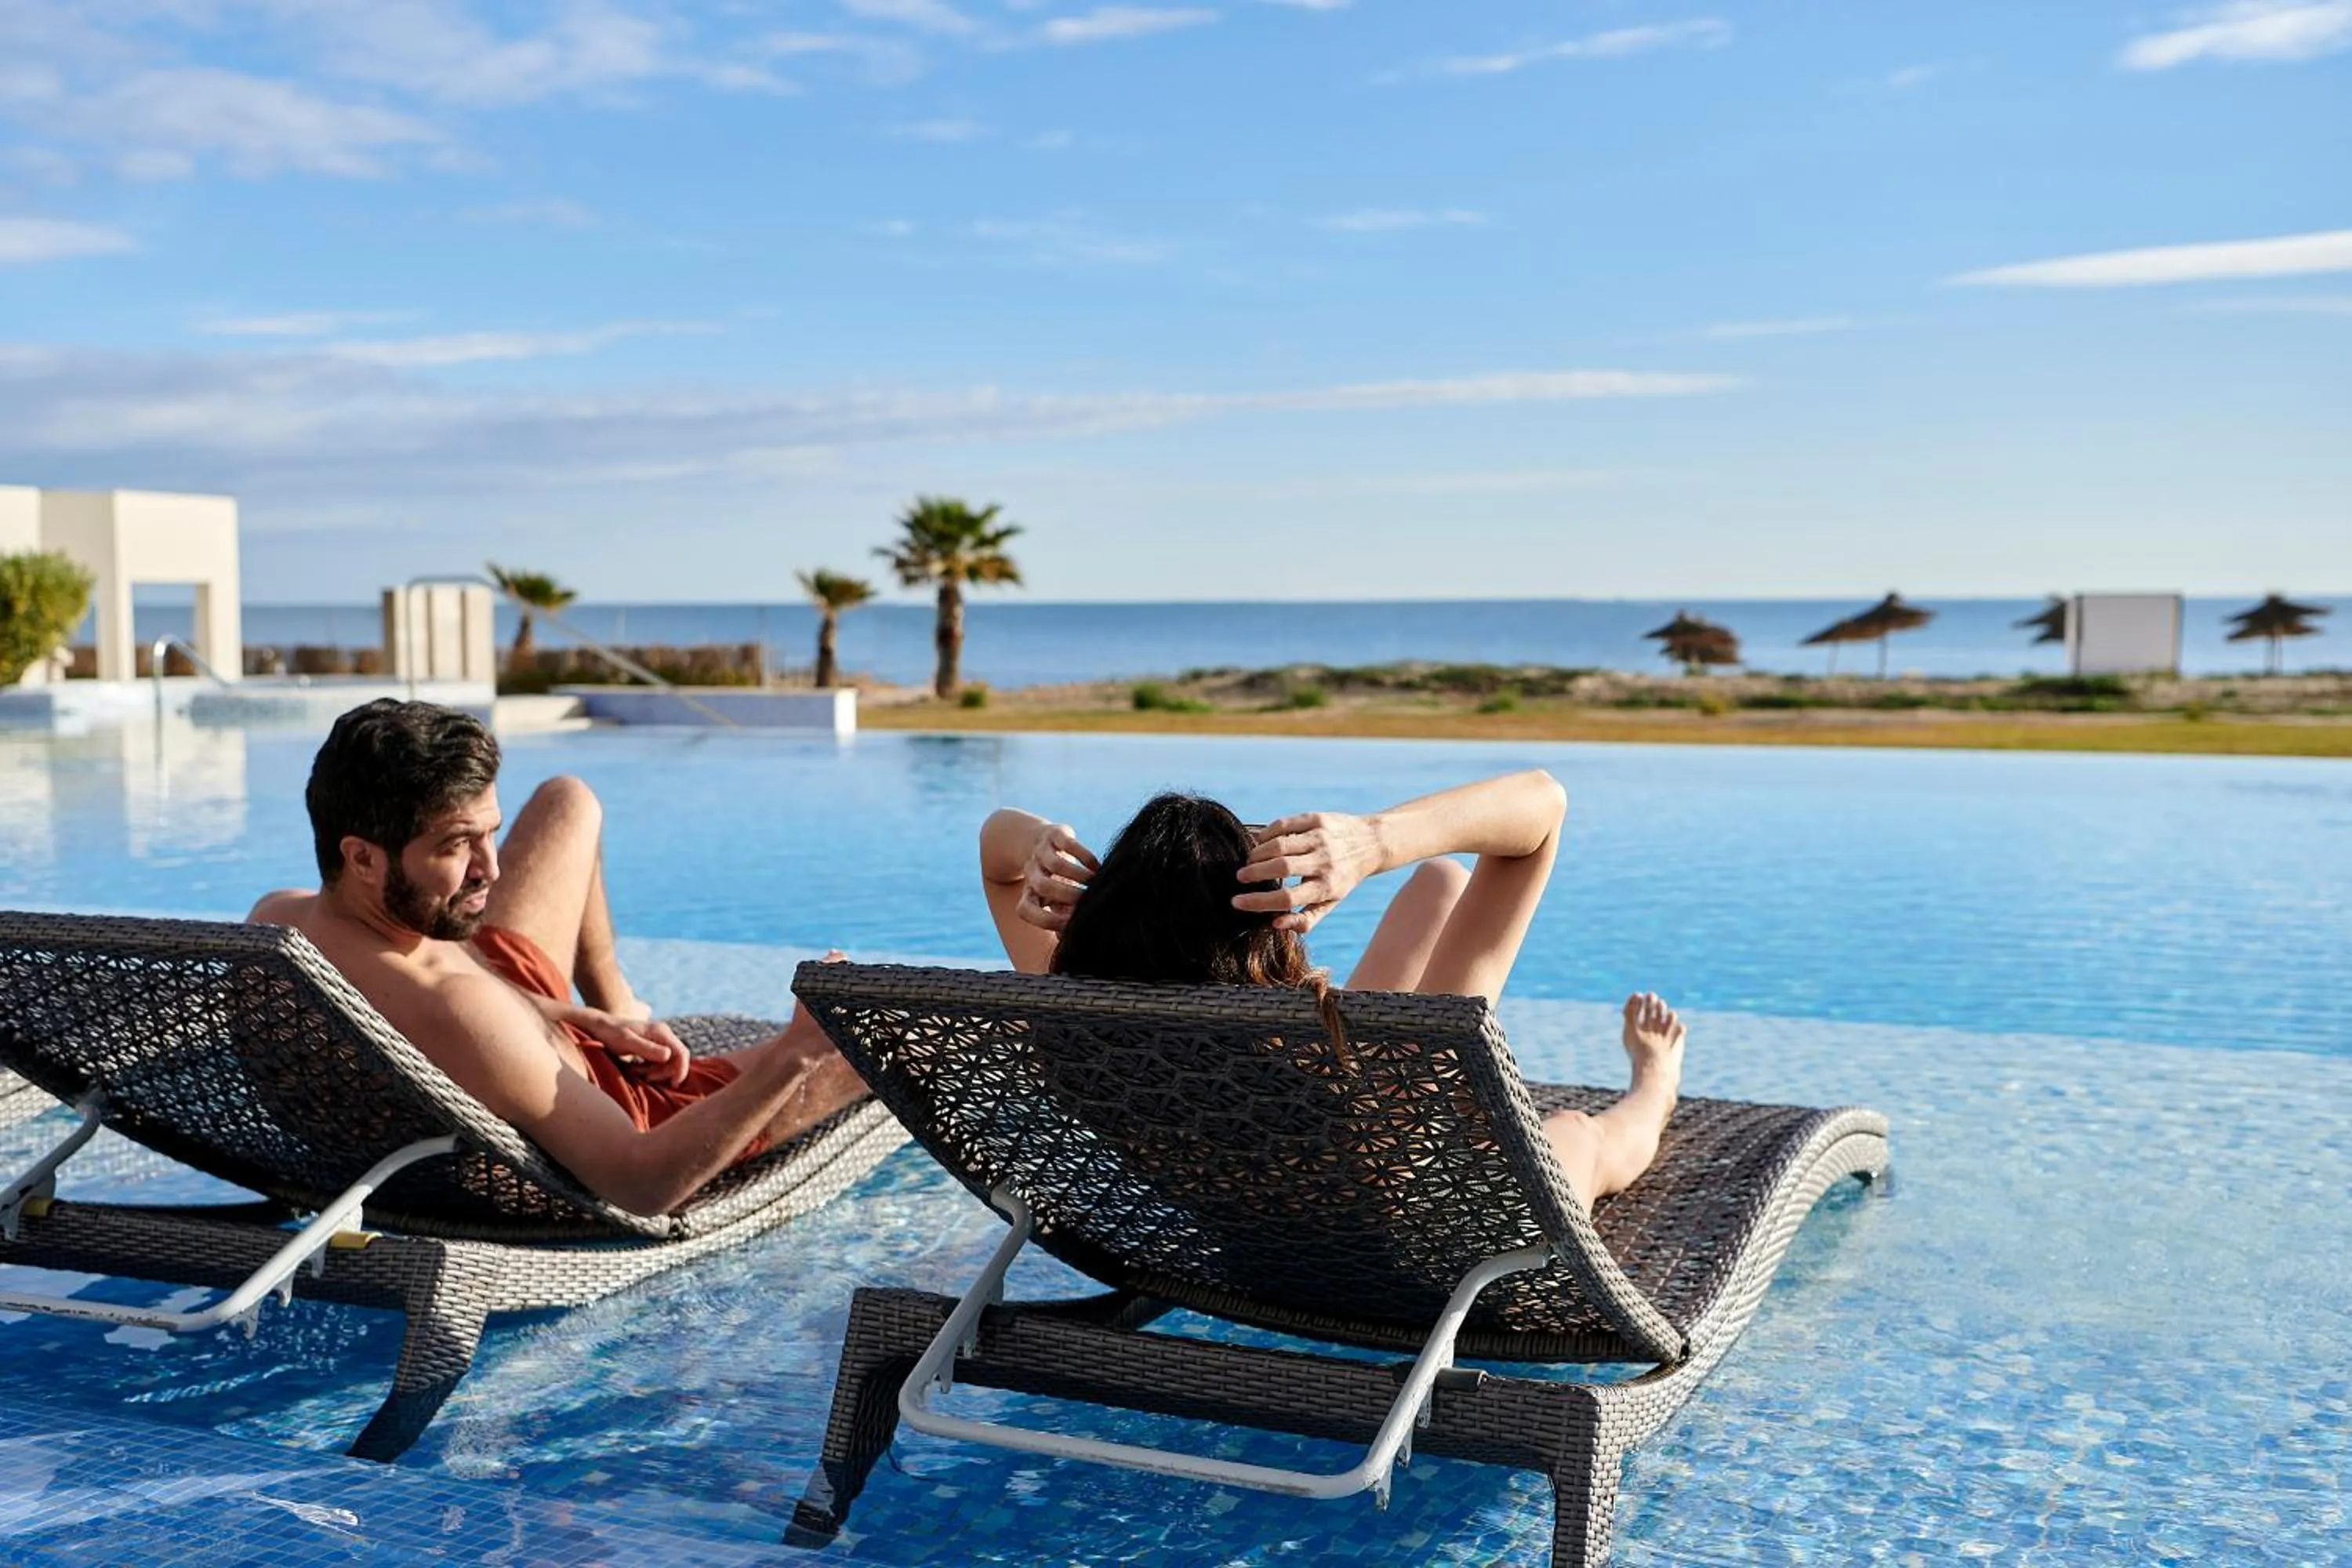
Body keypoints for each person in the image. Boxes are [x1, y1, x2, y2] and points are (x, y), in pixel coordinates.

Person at [249, 699, 866, 1217]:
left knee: (565, 801)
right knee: (884, 1035)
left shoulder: (278, 921)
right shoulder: (463, 1014)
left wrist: (570, 1015)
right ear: (361, 857)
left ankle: (615, 998)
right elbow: (639, 1182)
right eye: (458, 845)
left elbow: (433, 1007)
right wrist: (798, 1049)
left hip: (497, 992)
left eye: (488, 832)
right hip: (631, 1112)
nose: (490, 868)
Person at [978, 771, 1686, 1211]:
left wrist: (1046, 842)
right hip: (1413, 1241)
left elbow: (995, 852)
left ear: (1101, 916)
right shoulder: (1393, 1066)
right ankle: (1655, 1088)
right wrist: (1374, 842)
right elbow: (1542, 806)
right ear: (1263, 936)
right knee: (1578, 1136)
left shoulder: (1075, 1014)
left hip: (1253, 1222)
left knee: (1441, 881)